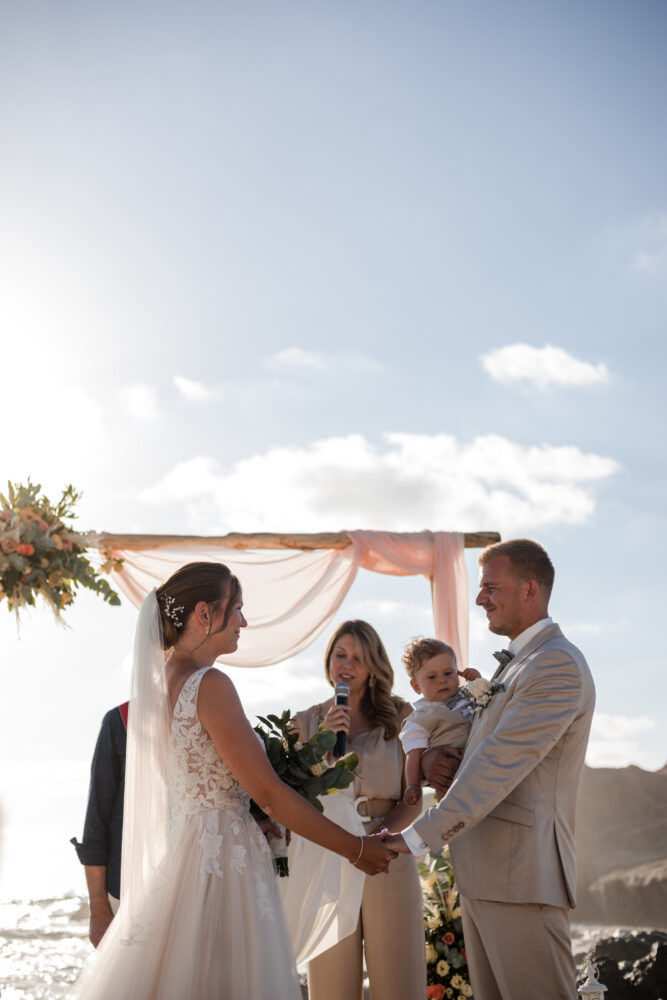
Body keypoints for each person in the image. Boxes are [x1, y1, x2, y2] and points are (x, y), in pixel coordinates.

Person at [73, 563, 396, 1000]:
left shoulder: (158, 686)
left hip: (182, 858)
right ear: (205, 613)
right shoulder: (210, 684)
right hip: (223, 866)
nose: (244, 621)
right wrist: (355, 849)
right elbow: (270, 793)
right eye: (238, 608)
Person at [385, 539, 596, 1000]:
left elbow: (499, 763)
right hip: (484, 875)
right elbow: (475, 748)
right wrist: (430, 763)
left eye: (491, 588)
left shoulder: (555, 663)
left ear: (530, 589)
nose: (480, 598)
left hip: (522, 878)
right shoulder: (515, 666)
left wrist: (418, 835)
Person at [292, 620, 427, 1000]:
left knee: (399, 983)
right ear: (328, 660)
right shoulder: (303, 723)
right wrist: (322, 742)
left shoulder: (402, 716)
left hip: (389, 855)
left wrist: (378, 842)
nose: (347, 665)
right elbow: (295, 797)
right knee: (331, 987)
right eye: (340, 654)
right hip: (330, 859)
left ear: (374, 666)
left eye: (359, 658)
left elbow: (413, 797)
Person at [71, 702, 128, 946]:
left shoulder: (215, 712)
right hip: (125, 891)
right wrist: (98, 908)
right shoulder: (120, 721)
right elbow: (97, 819)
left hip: (196, 881)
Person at [399, 637, 480, 805]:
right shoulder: (420, 717)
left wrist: (477, 681)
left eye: (448, 673)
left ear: (458, 673)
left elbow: (491, 704)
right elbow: (413, 754)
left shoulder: (469, 696)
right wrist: (413, 785)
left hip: (480, 766)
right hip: (448, 775)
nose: (442, 680)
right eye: (432, 677)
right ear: (416, 686)